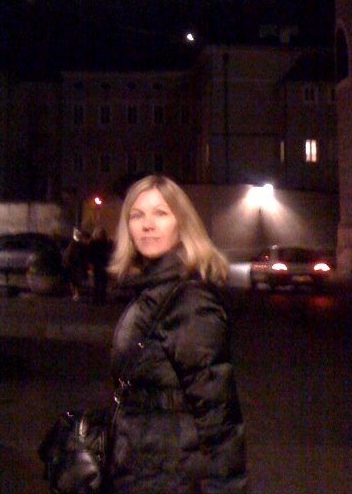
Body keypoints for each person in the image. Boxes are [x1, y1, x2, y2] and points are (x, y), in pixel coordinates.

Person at [107, 175, 247, 494]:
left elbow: (218, 414)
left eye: (161, 213)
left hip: (170, 476)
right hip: (140, 469)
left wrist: (226, 486)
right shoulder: (150, 289)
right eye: (137, 215)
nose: (148, 225)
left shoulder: (190, 301)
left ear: (182, 224)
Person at [88, 225, 111, 304]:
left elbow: (108, 253)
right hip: (97, 264)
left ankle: (101, 298)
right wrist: (91, 264)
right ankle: (97, 298)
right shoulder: (94, 243)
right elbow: (90, 254)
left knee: (102, 282)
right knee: (97, 282)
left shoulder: (105, 243)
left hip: (103, 264)